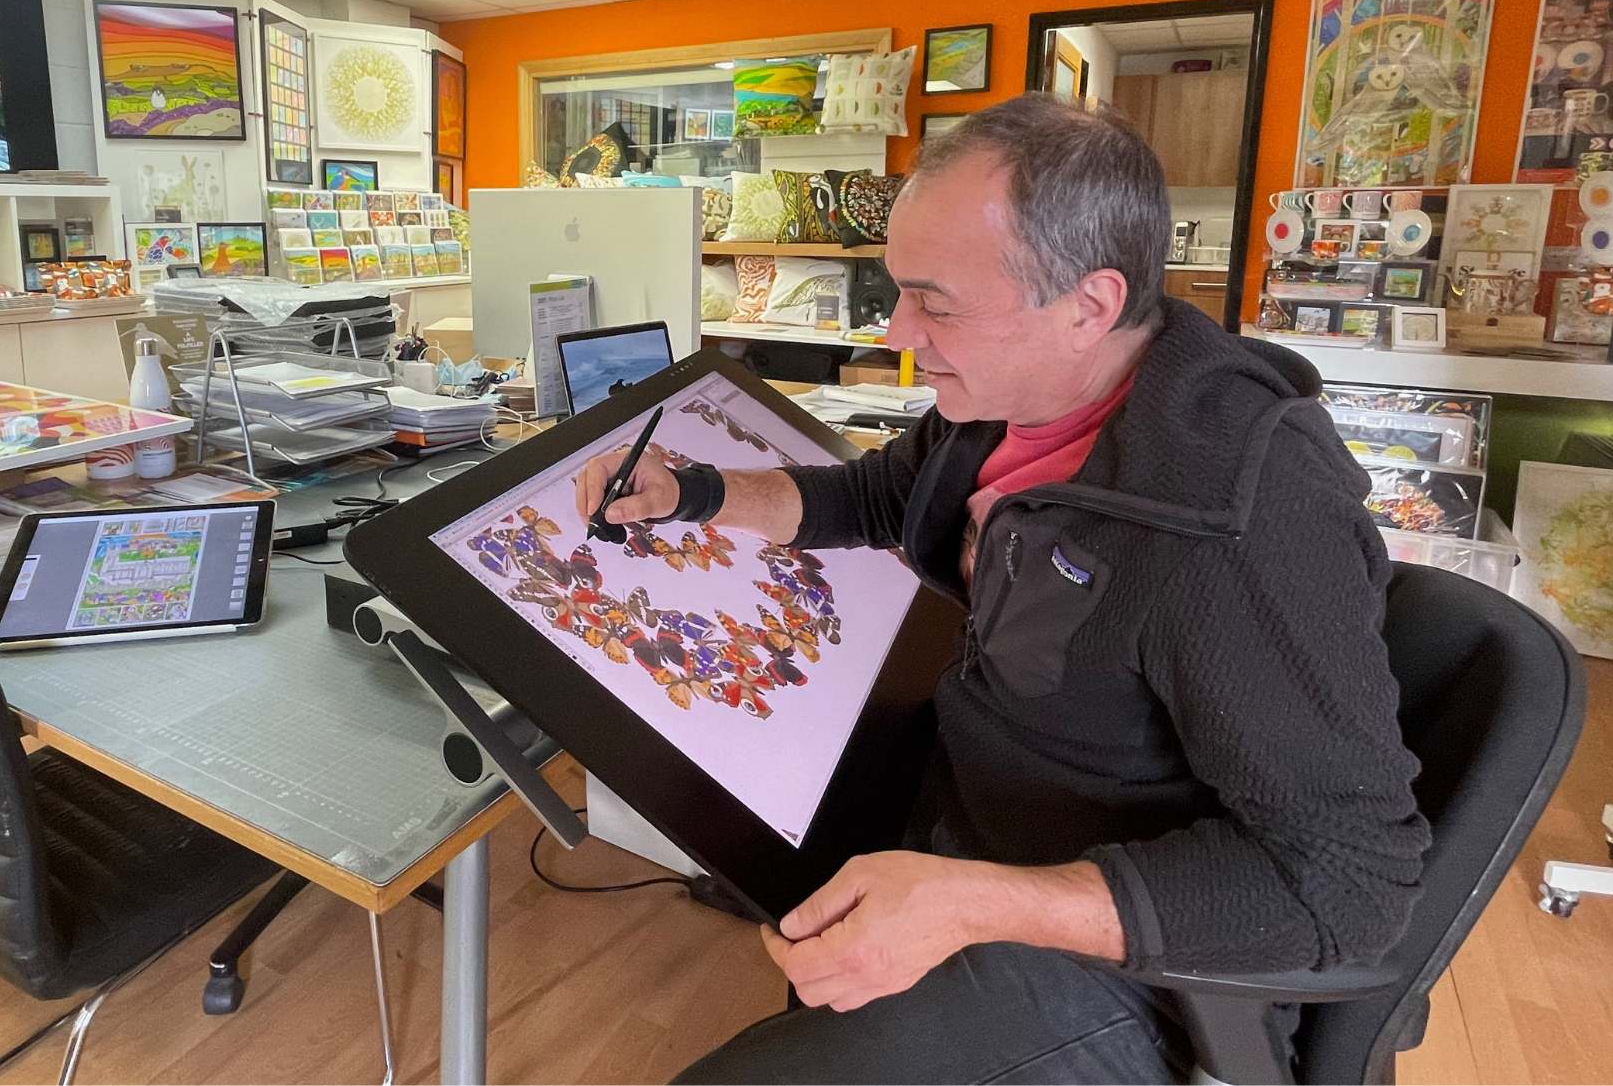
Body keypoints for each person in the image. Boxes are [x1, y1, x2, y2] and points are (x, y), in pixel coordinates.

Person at [573, 94, 1430, 1085]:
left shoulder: (1236, 522)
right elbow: (874, 495)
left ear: (1089, 302)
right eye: (899, 292)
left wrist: (975, 902)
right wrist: (693, 492)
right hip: (981, 823)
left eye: (935, 303)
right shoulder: (1012, 400)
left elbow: (1351, 881)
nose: (897, 331)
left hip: (1126, 959)